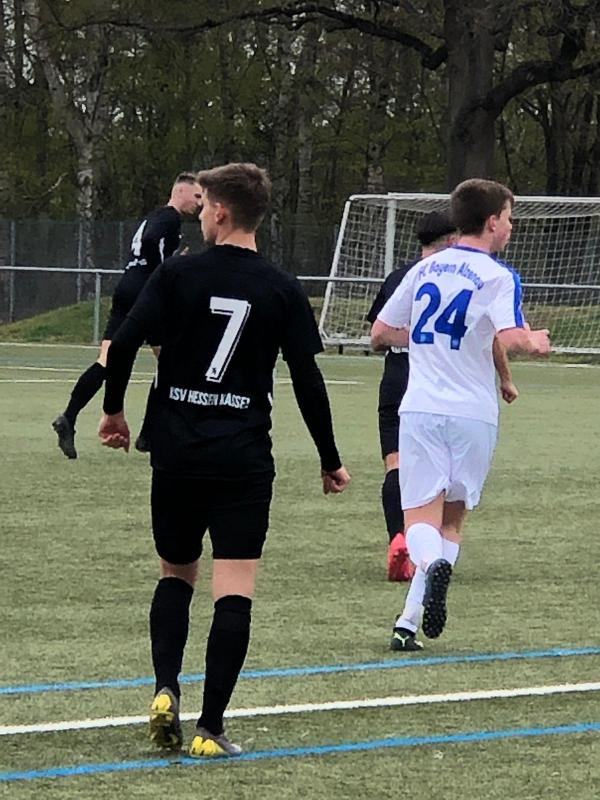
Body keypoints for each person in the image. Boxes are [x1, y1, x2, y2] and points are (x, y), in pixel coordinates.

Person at [98, 163, 351, 758]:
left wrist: (113, 411)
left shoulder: (177, 273)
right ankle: (211, 728)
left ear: (220, 212)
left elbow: (126, 341)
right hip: (242, 457)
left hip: (176, 453)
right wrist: (329, 458)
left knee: (175, 575)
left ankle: (165, 688)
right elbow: (308, 380)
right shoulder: (281, 287)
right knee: (233, 589)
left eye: (205, 207)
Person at [370, 178, 550, 653]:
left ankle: (418, 596)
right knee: (451, 522)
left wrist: (424, 341)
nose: (510, 227)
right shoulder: (498, 276)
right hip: (474, 413)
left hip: (421, 408)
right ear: (491, 222)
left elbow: (380, 333)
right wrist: (535, 341)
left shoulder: (423, 269)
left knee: (418, 520)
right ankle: (409, 619)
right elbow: (511, 337)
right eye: (508, 219)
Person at [367, 210, 518, 585]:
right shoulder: (477, 275)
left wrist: (419, 339)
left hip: (400, 383)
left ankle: (400, 539)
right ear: (453, 239)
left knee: (396, 466)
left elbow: (378, 335)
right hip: (452, 386)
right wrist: (505, 378)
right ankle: (432, 557)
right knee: (451, 500)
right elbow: (494, 337)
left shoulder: (401, 276)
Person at [52, 173, 202, 459]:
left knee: (108, 360)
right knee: (171, 363)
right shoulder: (170, 217)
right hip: (146, 294)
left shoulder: (154, 216)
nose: (200, 203)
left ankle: (68, 417)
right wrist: (166, 269)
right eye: (196, 196)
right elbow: (151, 241)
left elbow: (146, 244)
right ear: (180, 191)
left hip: (127, 287)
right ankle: (150, 435)